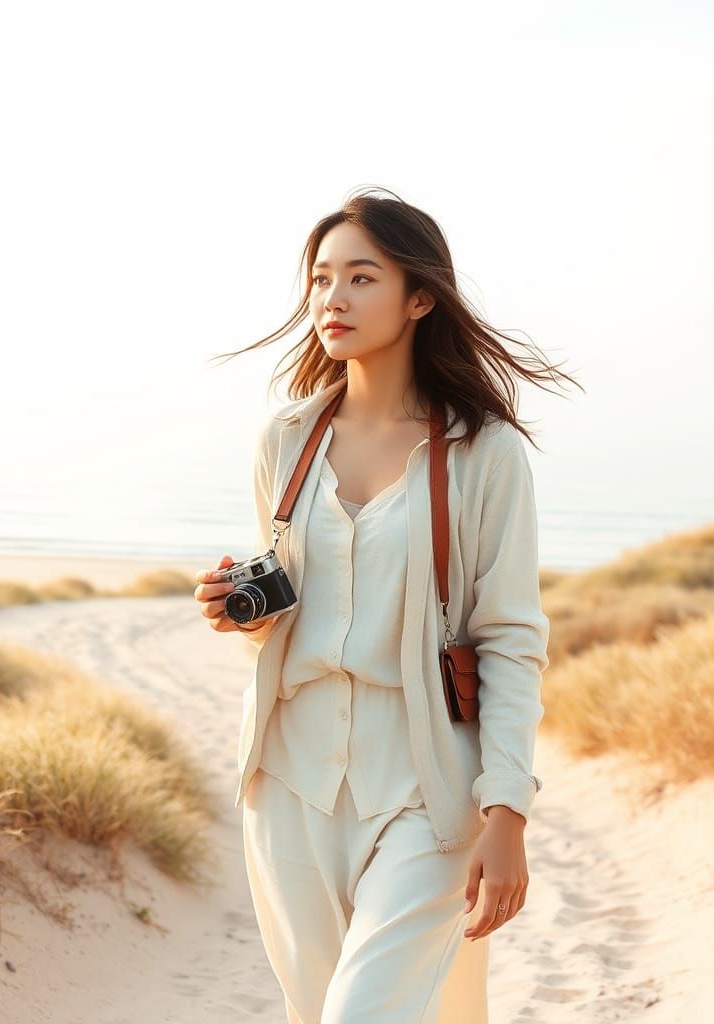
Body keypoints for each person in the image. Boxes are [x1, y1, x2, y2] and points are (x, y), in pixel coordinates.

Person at [195, 186, 581, 1023]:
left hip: (424, 787)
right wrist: (244, 611)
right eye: (322, 278)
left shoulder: (485, 452)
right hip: (291, 782)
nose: (333, 298)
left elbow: (511, 639)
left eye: (361, 277)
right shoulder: (285, 440)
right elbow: (288, 596)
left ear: (419, 297)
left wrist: (507, 811)